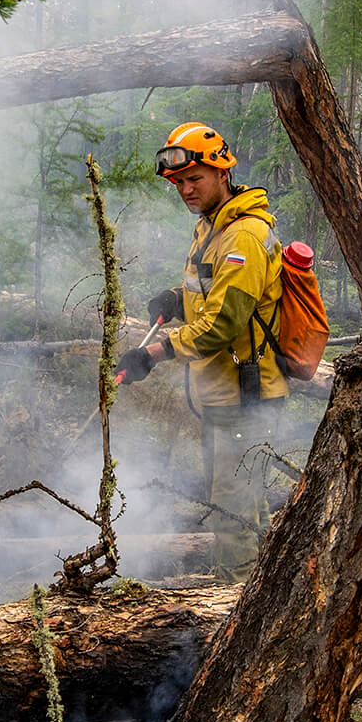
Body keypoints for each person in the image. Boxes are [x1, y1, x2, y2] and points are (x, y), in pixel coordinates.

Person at [116, 122, 288, 580]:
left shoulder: (243, 237)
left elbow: (223, 323)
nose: (186, 189)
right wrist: (177, 296)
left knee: (232, 515)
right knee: (241, 505)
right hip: (224, 395)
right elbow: (215, 293)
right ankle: (262, 592)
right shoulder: (212, 226)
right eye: (179, 182)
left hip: (245, 397)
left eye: (195, 179)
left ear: (221, 170)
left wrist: (154, 353)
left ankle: (235, 607)